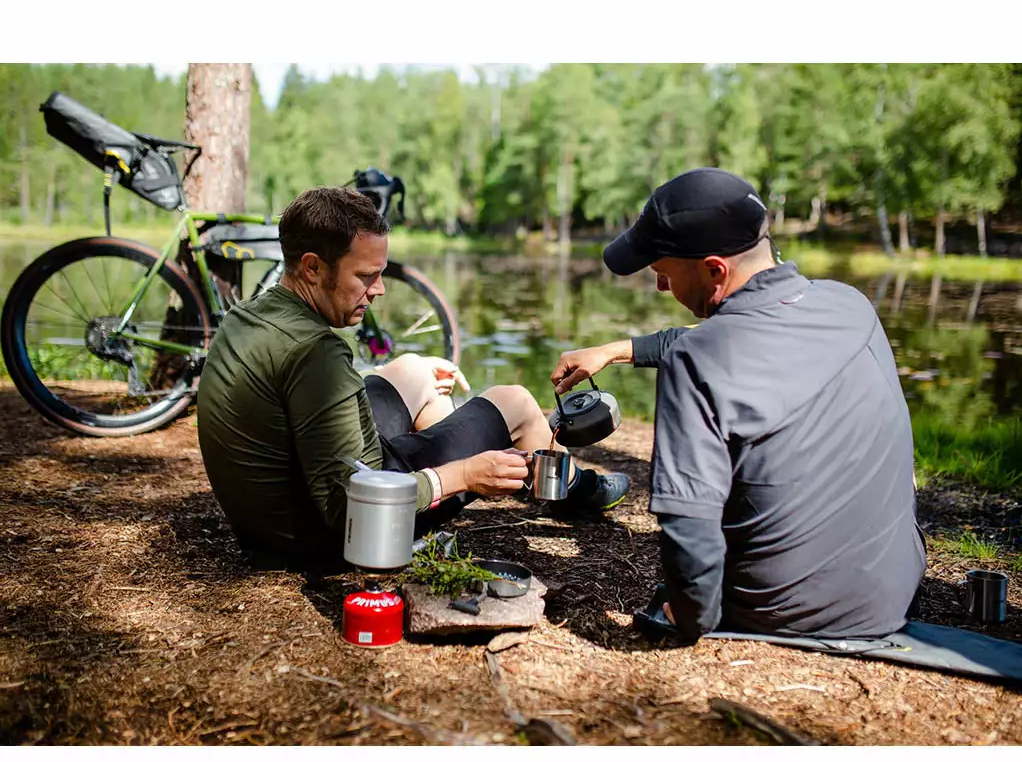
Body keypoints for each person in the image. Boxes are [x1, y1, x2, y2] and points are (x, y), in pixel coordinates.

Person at [550, 167, 925, 644]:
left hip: (782, 613)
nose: (661, 287)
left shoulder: (695, 362)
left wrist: (688, 614)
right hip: (896, 592)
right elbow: (741, 337)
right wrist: (617, 350)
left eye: (663, 273)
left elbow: (689, 532)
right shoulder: (849, 304)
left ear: (715, 270)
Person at [197, 185, 628, 569]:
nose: (379, 289)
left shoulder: (251, 313)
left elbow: (300, 404)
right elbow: (349, 506)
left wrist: (386, 378)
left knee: (413, 370)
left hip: (275, 518)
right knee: (514, 401)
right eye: (365, 276)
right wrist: (465, 475)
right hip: (332, 535)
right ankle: (571, 487)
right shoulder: (316, 352)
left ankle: (470, 446)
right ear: (312, 267)